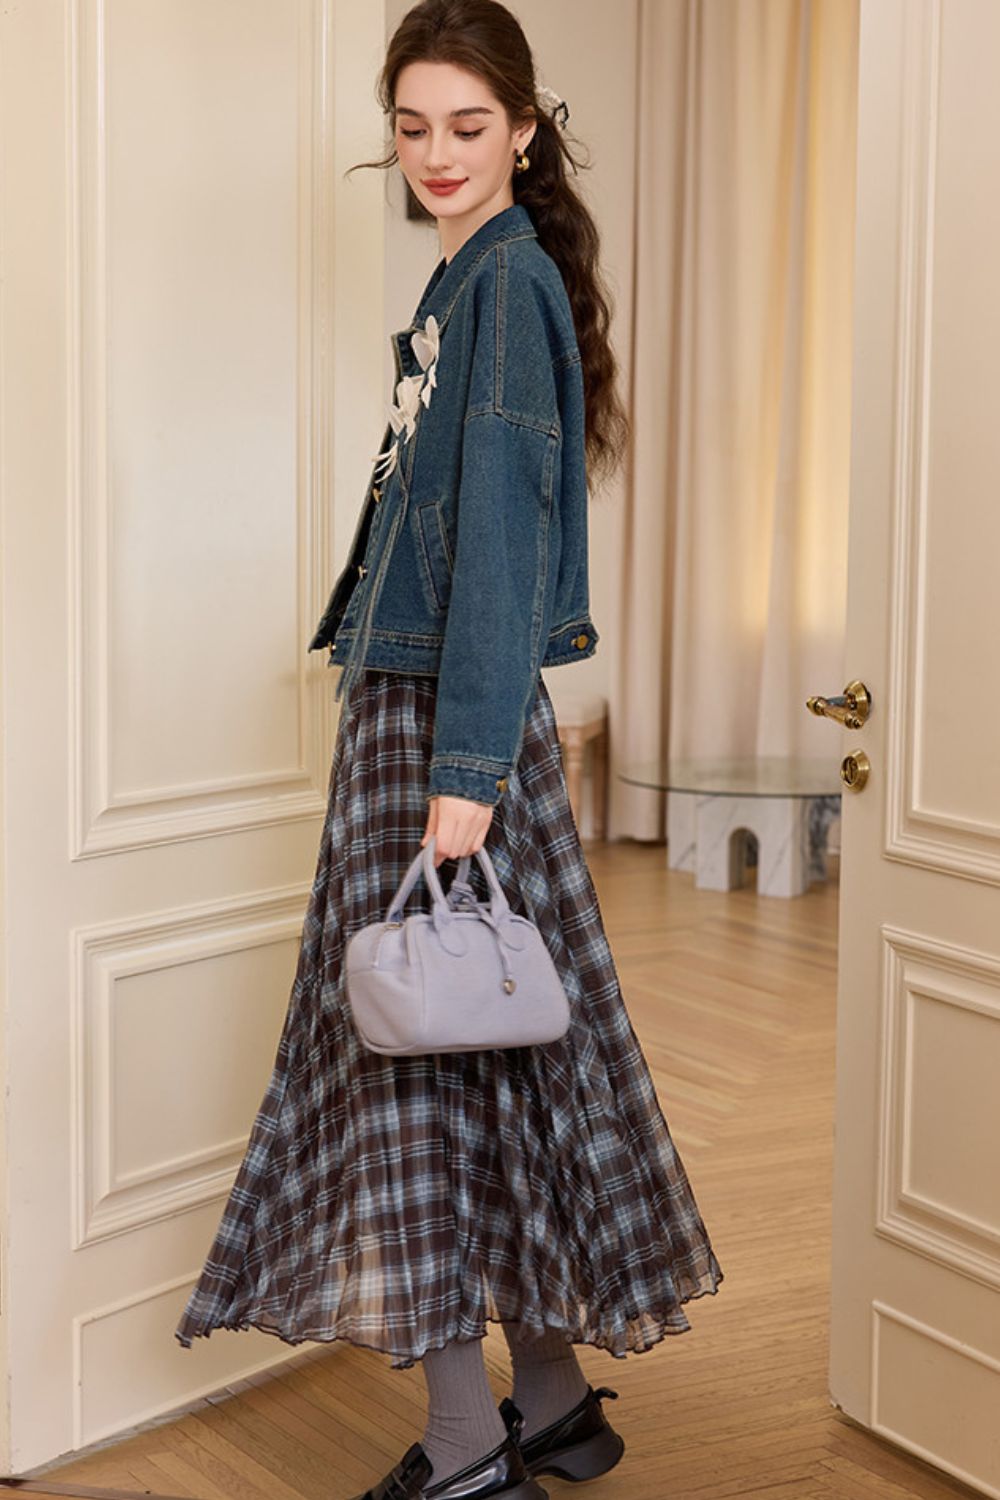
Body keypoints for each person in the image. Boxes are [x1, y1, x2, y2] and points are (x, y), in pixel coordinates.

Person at [175, 3, 724, 1497]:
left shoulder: (500, 286)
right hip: (436, 719)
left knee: (412, 1084)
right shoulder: (470, 280)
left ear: (525, 130)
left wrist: (464, 776)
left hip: (441, 728)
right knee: (499, 1065)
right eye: (411, 127)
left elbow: (499, 544)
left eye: (466, 127)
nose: (434, 154)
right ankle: (548, 1404)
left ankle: (465, 1450)